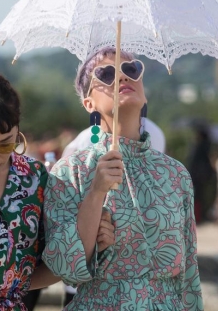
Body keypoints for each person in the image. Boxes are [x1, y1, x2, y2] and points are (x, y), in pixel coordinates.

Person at [42, 47, 203, 310]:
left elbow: (189, 276)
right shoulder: (69, 173)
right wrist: (95, 193)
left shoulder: (176, 175)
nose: (122, 78)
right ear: (88, 103)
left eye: (131, 69)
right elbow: (65, 269)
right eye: (106, 74)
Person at [0, 68, 114, 311]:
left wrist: (96, 237)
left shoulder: (35, 178)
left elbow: (61, 257)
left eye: (5, 145)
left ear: (18, 132)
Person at [62, 118, 166, 306]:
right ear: (88, 102)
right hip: (102, 275)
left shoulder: (83, 138)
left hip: (132, 276)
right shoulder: (84, 141)